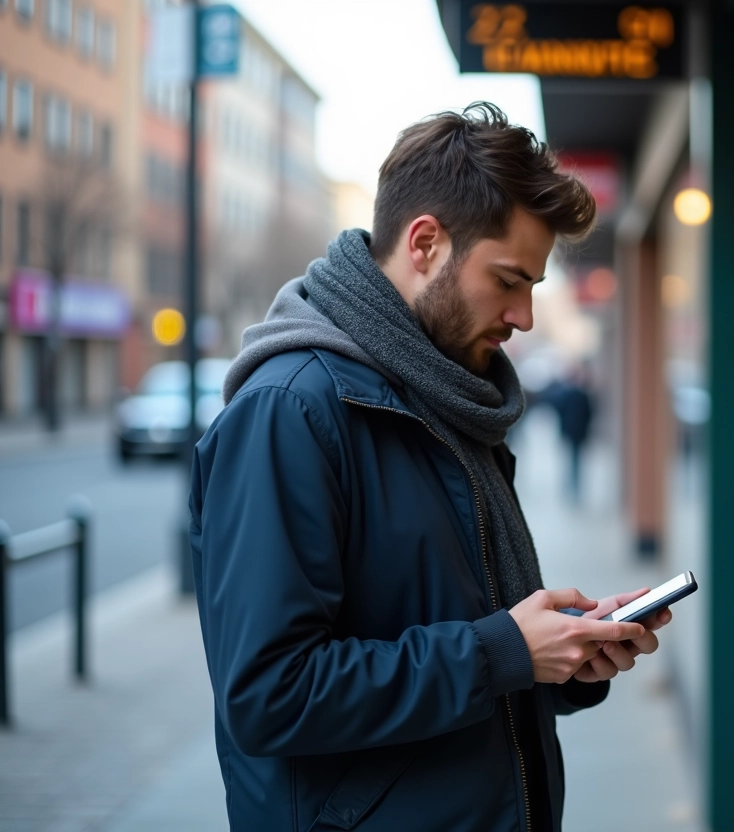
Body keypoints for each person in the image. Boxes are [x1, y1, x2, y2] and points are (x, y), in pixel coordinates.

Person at [188, 103, 673, 832]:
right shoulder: (293, 410)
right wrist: (505, 651)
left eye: (533, 287)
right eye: (509, 279)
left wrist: (561, 658)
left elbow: (460, 630)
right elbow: (269, 694)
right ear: (424, 244)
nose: (525, 316)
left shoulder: (447, 394)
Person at [550, 368, 595, 501]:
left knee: (571, 459)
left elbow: (558, 411)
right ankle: (574, 485)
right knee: (576, 459)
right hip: (577, 432)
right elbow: (589, 414)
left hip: (571, 432)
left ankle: (570, 485)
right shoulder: (582, 395)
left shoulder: (567, 394)